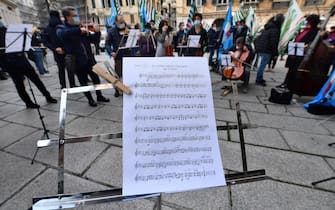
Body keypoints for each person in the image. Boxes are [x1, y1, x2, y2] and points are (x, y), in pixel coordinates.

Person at [57, 6, 110, 107]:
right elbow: (62, 34)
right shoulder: (62, 28)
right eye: (74, 16)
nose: (76, 17)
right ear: (68, 17)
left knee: (96, 79)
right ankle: (90, 99)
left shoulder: (81, 29)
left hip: (89, 60)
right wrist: (78, 29)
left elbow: (93, 40)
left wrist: (97, 32)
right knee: (83, 82)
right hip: (77, 61)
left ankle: (99, 96)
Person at [0, 27, 57, 108]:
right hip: (10, 64)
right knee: (19, 84)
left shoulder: (9, 31)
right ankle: (28, 102)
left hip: (21, 60)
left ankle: (47, 96)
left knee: (36, 80)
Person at [280, 14, 320, 88]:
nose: (306, 22)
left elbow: (310, 43)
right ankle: (286, 83)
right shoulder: (304, 30)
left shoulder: (314, 32)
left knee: (295, 71)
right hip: (295, 52)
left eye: (308, 21)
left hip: (302, 54)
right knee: (291, 69)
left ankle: (290, 85)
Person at [44, 10, 76, 89]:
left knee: (61, 70)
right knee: (70, 69)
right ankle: (72, 84)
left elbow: (45, 42)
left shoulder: (47, 28)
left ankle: (63, 86)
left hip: (57, 52)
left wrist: (55, 49)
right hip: (66, 50)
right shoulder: (62, 25)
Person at [254, 14, 284, 86]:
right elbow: (274, 42)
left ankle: (260, 78)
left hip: (261, 47)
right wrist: (275, 53)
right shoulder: (275, 30)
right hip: (266, 49)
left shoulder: (268, 28)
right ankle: (258, 79)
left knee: (262, 64)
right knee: (262, 65)